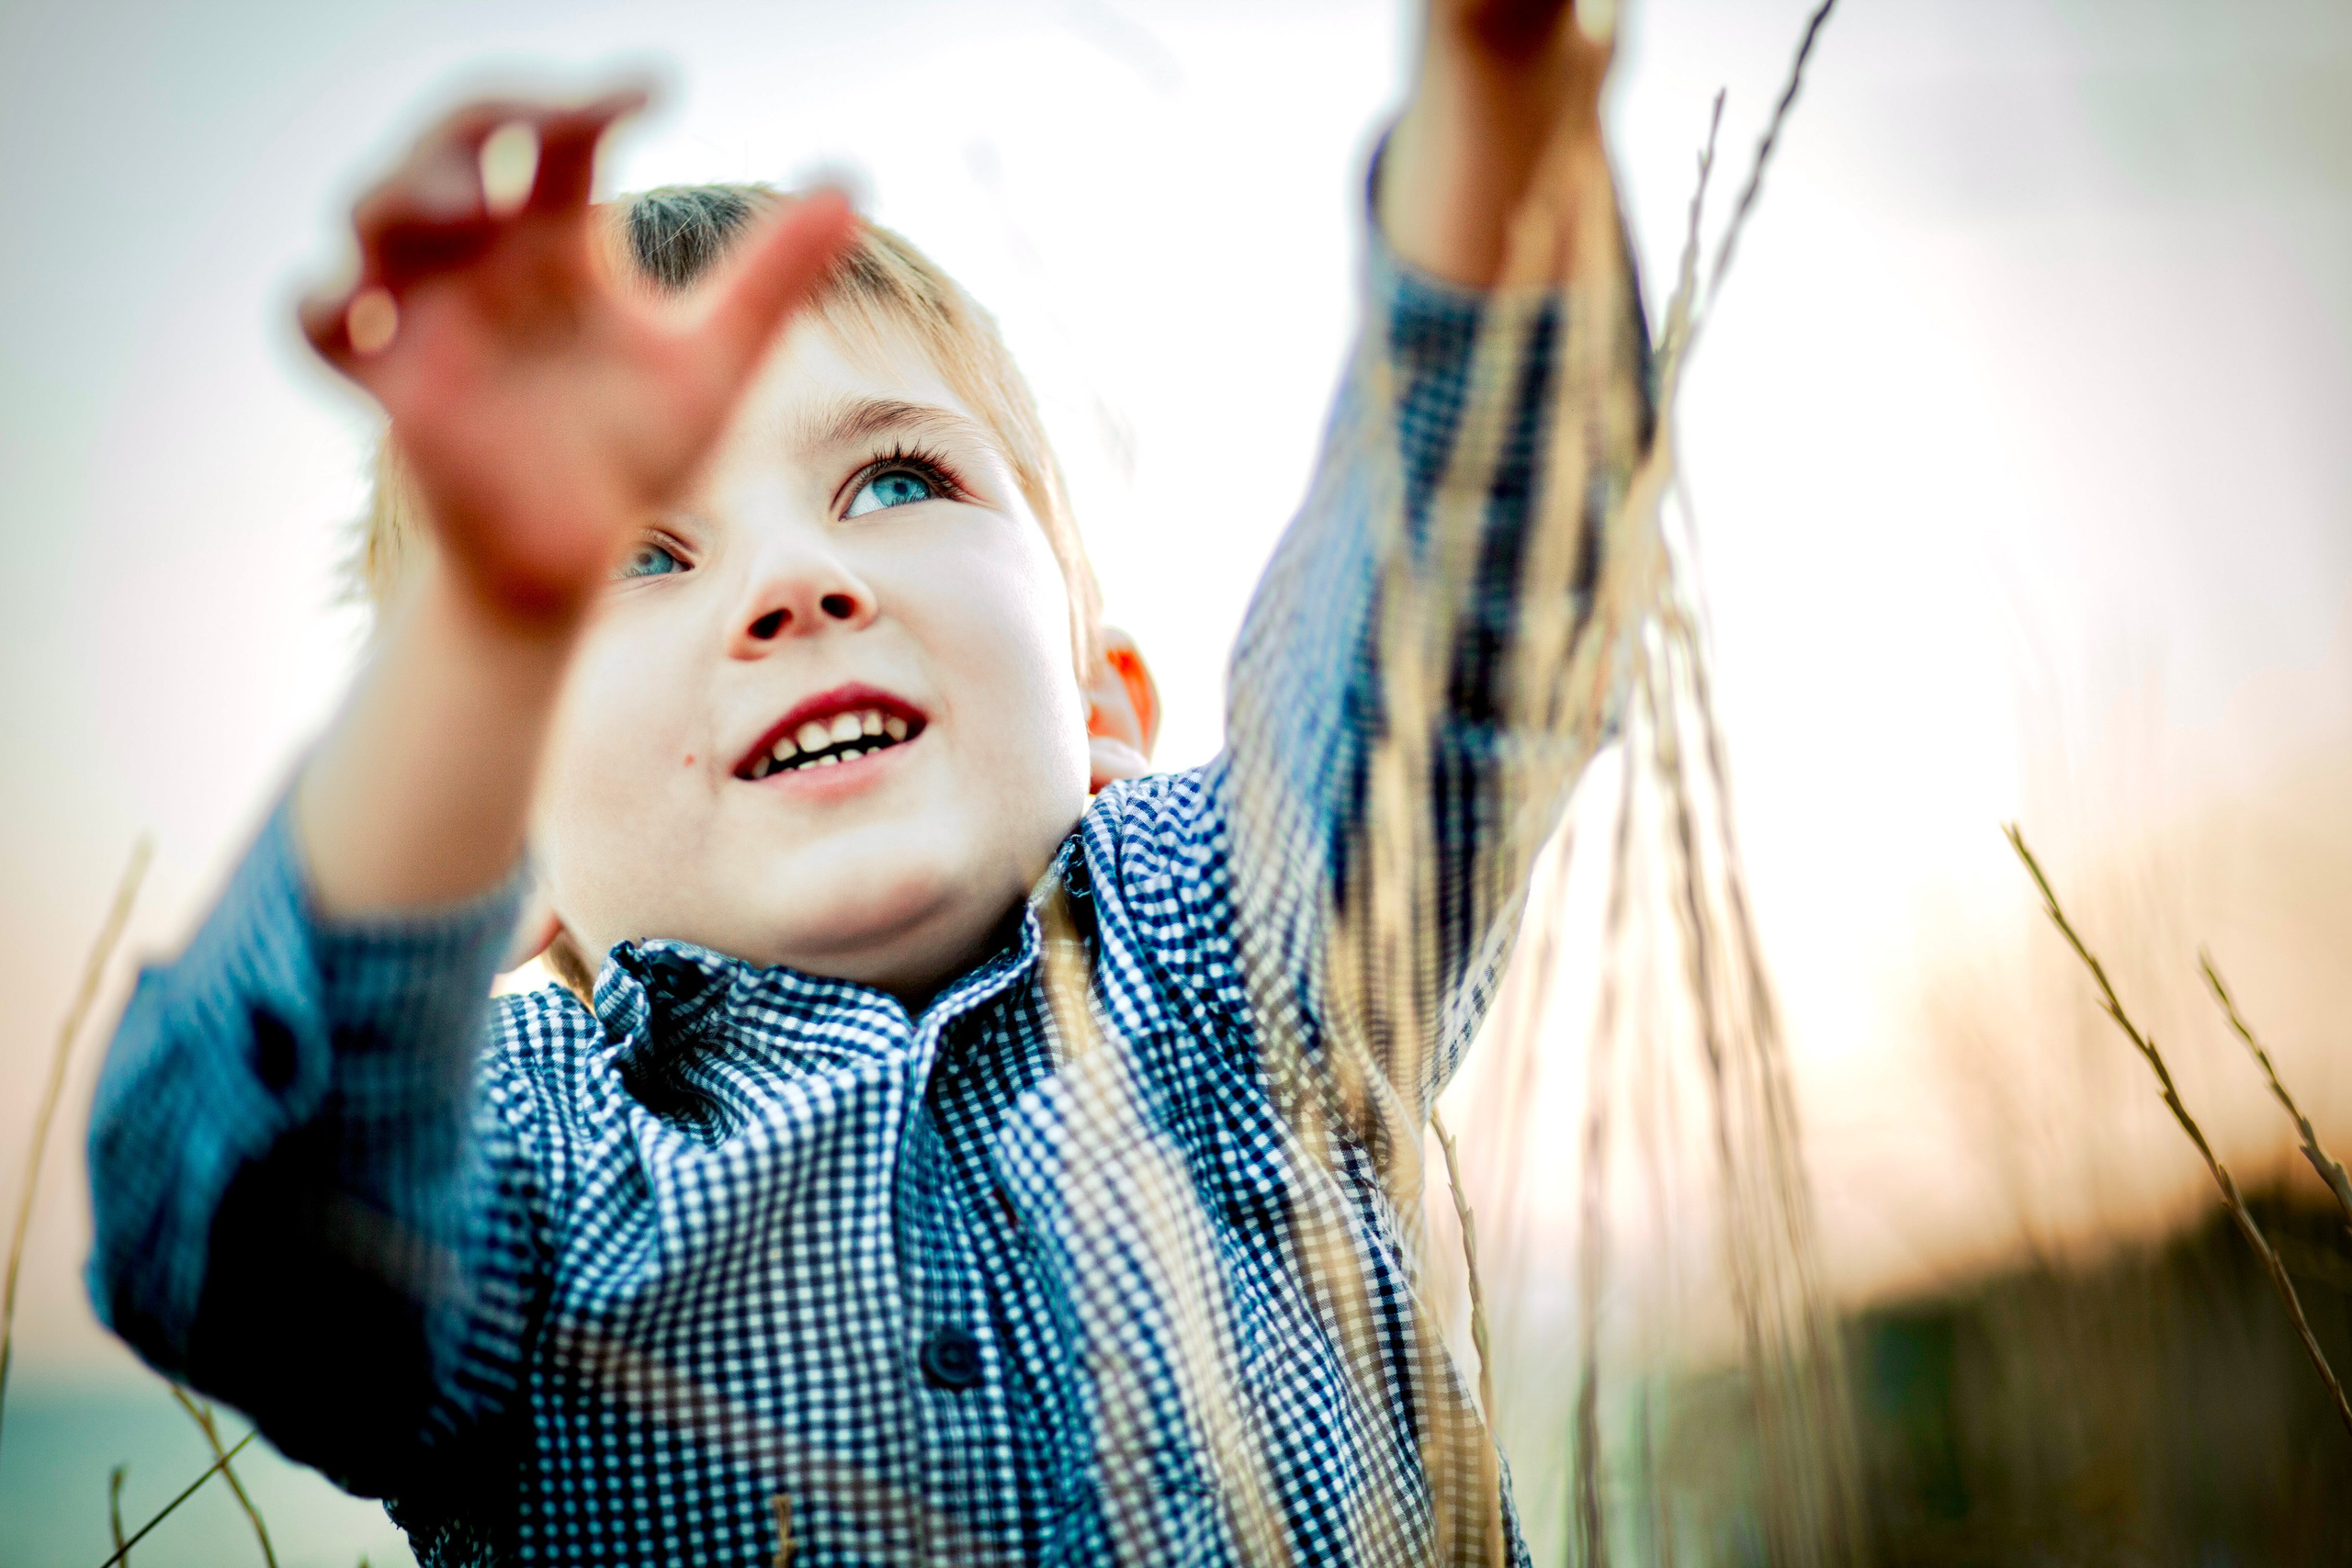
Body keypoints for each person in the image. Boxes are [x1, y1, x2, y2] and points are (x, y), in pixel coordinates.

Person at [85, 2, 1646, 1562]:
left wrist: (1502, 103)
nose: (799, 578)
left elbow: (1452, 639)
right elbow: (227, 1226)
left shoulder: (1223, 961)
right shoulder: (524, 1179)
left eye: (897, 480)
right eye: (633, 556)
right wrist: (483, 625)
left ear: (1103, 703)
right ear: (498, 850)